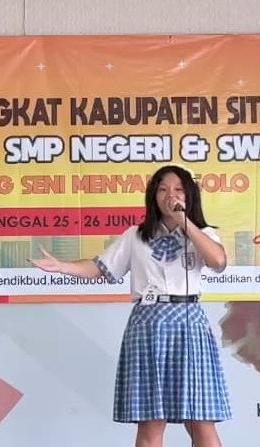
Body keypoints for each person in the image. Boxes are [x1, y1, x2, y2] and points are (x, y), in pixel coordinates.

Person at [30, 164, 232, 447]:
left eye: (178, 190)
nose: (170, 195)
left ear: (189, 195)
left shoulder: (203, 233)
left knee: (201, 420)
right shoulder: (136, 235)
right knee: (151, 421)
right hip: (147, 324)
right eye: (163, 190)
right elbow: (101, 268)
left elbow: (218, 262)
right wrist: (62, 267)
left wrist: (185, 222)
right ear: (153, 196)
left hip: (189, 323)